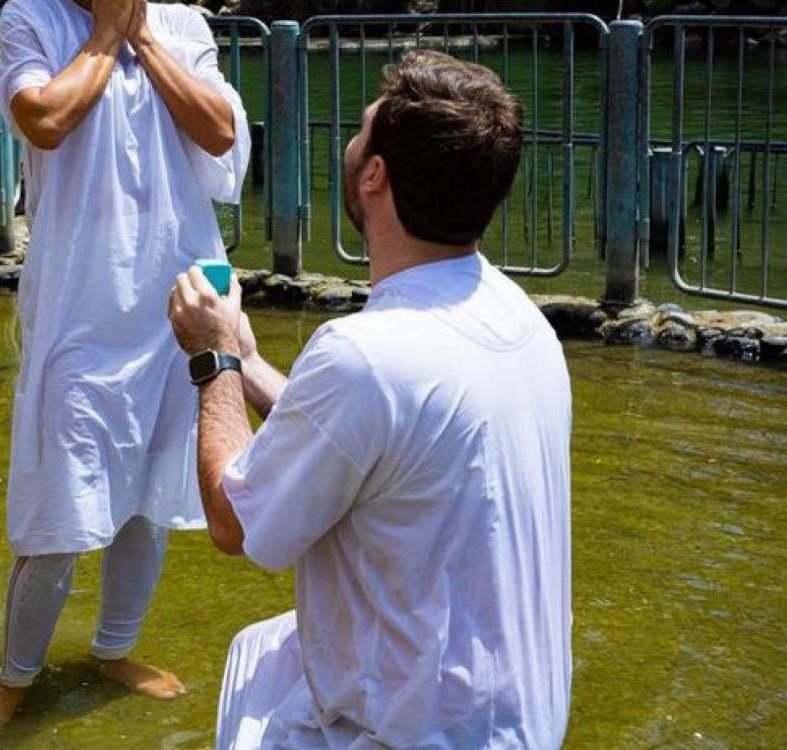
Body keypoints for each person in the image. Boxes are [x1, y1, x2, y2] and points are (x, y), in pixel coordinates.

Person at [168, 50, 572, 750]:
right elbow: (375, 437)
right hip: (517, 722)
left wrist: (216, 359)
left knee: (261, 668)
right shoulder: (520, 320)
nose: (349, 147)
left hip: (415, 738)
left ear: (375, 175)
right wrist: (255, 359)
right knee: (267, 651)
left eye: (359, 134)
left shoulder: (362, 355)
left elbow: (235, 526)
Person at [0, 0, 249, 738]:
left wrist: (143, 36)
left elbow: (220, 129)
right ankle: (14, 677)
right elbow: (43, 119)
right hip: (80, 309)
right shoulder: (30, 19)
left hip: (179, 299)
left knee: (150, 499)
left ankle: (112, 651)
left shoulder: (185, 26)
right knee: (59, 513)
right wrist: (105, 35)